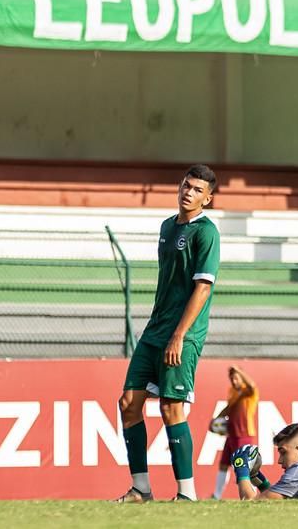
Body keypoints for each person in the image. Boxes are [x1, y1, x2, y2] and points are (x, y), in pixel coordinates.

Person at [114, 164, 220, 503]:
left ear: (208, 198)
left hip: (182, 335)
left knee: (172, 409)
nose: (188, 192)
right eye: (186, 185)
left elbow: (202, 288)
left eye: (196, 189)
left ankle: (186, 494)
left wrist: (178, 335)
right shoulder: (166, 226)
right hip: (154, 331)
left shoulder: (207, 233)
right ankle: (141, 489)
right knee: (129, 403)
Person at [211, 365, 259, 499]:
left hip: (243, 435)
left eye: (236, 378)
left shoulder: (249, 392)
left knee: (243, 467)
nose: (234, 381)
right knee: (223, 464)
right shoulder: (233, 391)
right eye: (232, 379)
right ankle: (216, 495)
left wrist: (239, 371)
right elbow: (228, 408)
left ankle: (250, 495)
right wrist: (215, 420)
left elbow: (252, 385)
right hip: (231, 435)